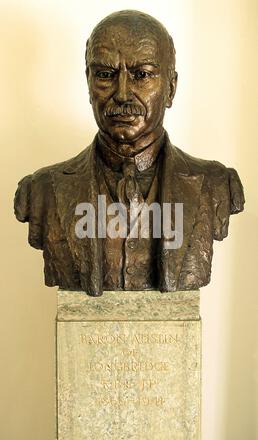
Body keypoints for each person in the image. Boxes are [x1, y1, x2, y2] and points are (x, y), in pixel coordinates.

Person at [14, 10, 244, 296]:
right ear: (88, 84)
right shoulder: (41, 191)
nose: (122, 93)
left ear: (171, 88)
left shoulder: (216, 185)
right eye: (105, 75)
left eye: (142, 75)